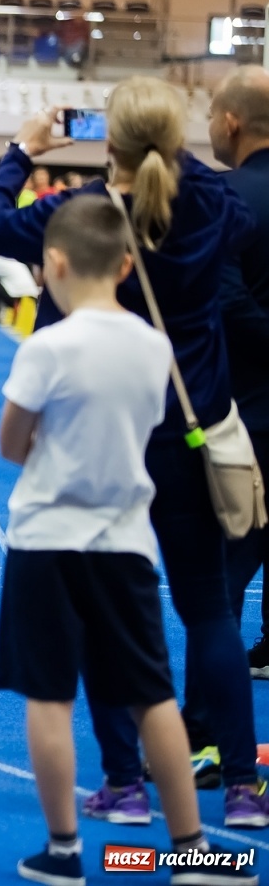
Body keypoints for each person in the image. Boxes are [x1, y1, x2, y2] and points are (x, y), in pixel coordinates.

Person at [0, 78, 265, 828]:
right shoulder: (212, 207)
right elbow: (215, 200)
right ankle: (241, 787)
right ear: (178, 139)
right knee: (210, 613)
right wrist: (164, 152)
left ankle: (125, 785)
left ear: (111, 141)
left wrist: (24, 151)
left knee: (105, 618)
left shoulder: (84, 218)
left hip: (102, 445)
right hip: (192, 433)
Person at [209, 68, 269, 675]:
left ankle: (206, 725)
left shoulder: (226, 196)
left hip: (244, 409)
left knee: (223, 569)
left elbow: (225, 299)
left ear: (231, 122)